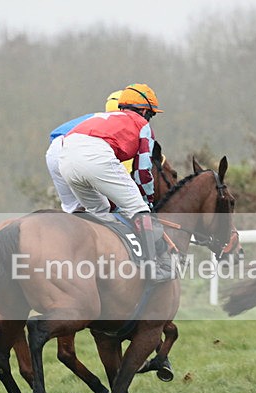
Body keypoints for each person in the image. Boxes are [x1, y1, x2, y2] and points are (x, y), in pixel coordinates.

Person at [59, 83, 172, 282]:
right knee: (139, 210)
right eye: (151, 114)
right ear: (145, 111)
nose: (149, 119)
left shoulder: (102, 117)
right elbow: (143, 170)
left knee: (100, 213)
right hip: (95, 155)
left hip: (65, 159)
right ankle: (151, 267)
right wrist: (147, 201)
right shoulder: (142, 124)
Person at [45, 90, 125, 213]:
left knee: (72, 210)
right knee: (103, 210)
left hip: (54, 150)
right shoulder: (122, 126)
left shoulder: (94, 117)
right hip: (74, 150)